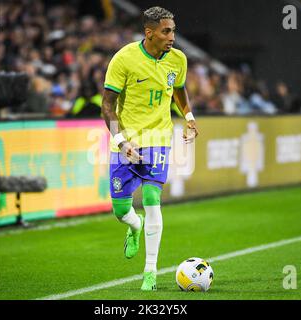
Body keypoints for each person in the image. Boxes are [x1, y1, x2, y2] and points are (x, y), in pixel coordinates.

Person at [101, 6, 199, 291]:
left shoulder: (178, 59)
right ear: (149, 32)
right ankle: (134, 226)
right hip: (127, 141)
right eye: (166, 31)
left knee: (153, 198)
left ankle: (150, 272)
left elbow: (178, 89)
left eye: (173, 30)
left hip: (158, 138)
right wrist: (121, 142)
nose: (172, 37)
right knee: (121, 210)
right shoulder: (124, 59)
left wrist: (189, 117)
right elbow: (107, 106)